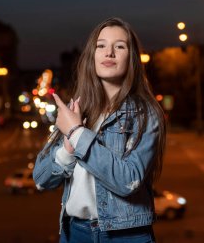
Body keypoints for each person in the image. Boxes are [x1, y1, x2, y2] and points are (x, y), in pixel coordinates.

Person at [33, 17, 166, 243]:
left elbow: (128, 181)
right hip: (75, 233)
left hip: (125, 235)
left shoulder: (145, 113)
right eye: (101, 45)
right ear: (91, 56)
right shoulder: (77, 109)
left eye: (119, 46)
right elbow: (41, 179)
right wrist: (66, 150)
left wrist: (76, 134)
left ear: (131, 58)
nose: (109, 53)